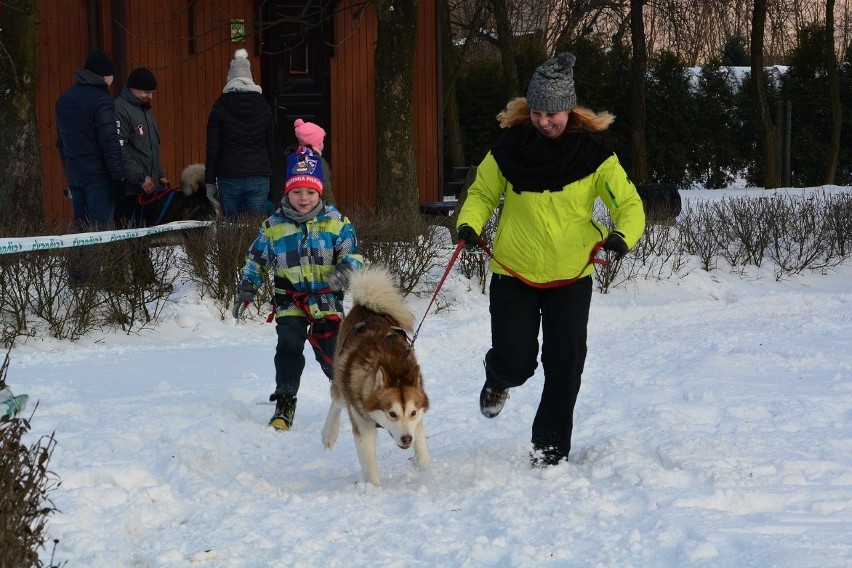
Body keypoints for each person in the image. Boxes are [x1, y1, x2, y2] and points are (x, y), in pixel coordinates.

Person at [455, 52, 646, 467]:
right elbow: (482, 193)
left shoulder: (595, 155)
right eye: (538, 112)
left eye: (554, 113)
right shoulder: (508, 148)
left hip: (571, 275)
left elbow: (629, 204)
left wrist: (619, 237)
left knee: (565, 365)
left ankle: (549, 449)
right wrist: (470, 224)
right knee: (517, 362)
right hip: (513, 272)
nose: (545, 121)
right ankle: (498, 380)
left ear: (570, 109)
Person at [233, 148, 363, 430]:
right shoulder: (273, 227)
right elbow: (256, 261)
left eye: (310, 192)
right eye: (297, 192)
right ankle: (285, 401)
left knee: (334, 353)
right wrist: (247, 287)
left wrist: (345, 271)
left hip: (326, 299)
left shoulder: (336, 223)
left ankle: (356, 400)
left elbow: (354, 255)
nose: (303, 198)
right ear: (287, 193)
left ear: (320, 193)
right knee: (289, 347)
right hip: (289, 300)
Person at [55, 50, 125, 282]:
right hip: (99, 176)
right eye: (111, 76)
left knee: (80, 227)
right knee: (99, 230)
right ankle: (95, 280)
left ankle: (77, 276)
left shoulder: (64, 99)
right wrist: (118, 176)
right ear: (104, 76)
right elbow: (110, 142)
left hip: (76, 176)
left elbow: (60, 142)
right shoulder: (101, 100)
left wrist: (70, 169)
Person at [204, 49, 274, 219]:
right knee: (256, 229)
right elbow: (270, 144)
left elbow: (213, 147)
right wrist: (268, 171)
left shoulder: (220, 105)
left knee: (231, 230)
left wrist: (209, 181)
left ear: (230, 78)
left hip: (229, 176)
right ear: (250, 78)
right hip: (259, 176)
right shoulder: (263, 105)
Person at [114, 66, 169, 227]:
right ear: (133, 89)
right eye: (146, 92)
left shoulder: (145, 111)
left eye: (152, 93)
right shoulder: (120, 109)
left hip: (150, 190)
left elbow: (150, 149)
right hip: (131, 192)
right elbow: (119, 149)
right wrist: (140, 177)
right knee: (131, 242)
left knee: (145, 243)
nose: (150, 97)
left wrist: (159, 175)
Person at [291, 118, 335, 205]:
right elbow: (326, 189)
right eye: (321, 141)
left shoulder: (296, 159)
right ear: (317, 143)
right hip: (317, 210)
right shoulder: (319, 162)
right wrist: (332, 209)